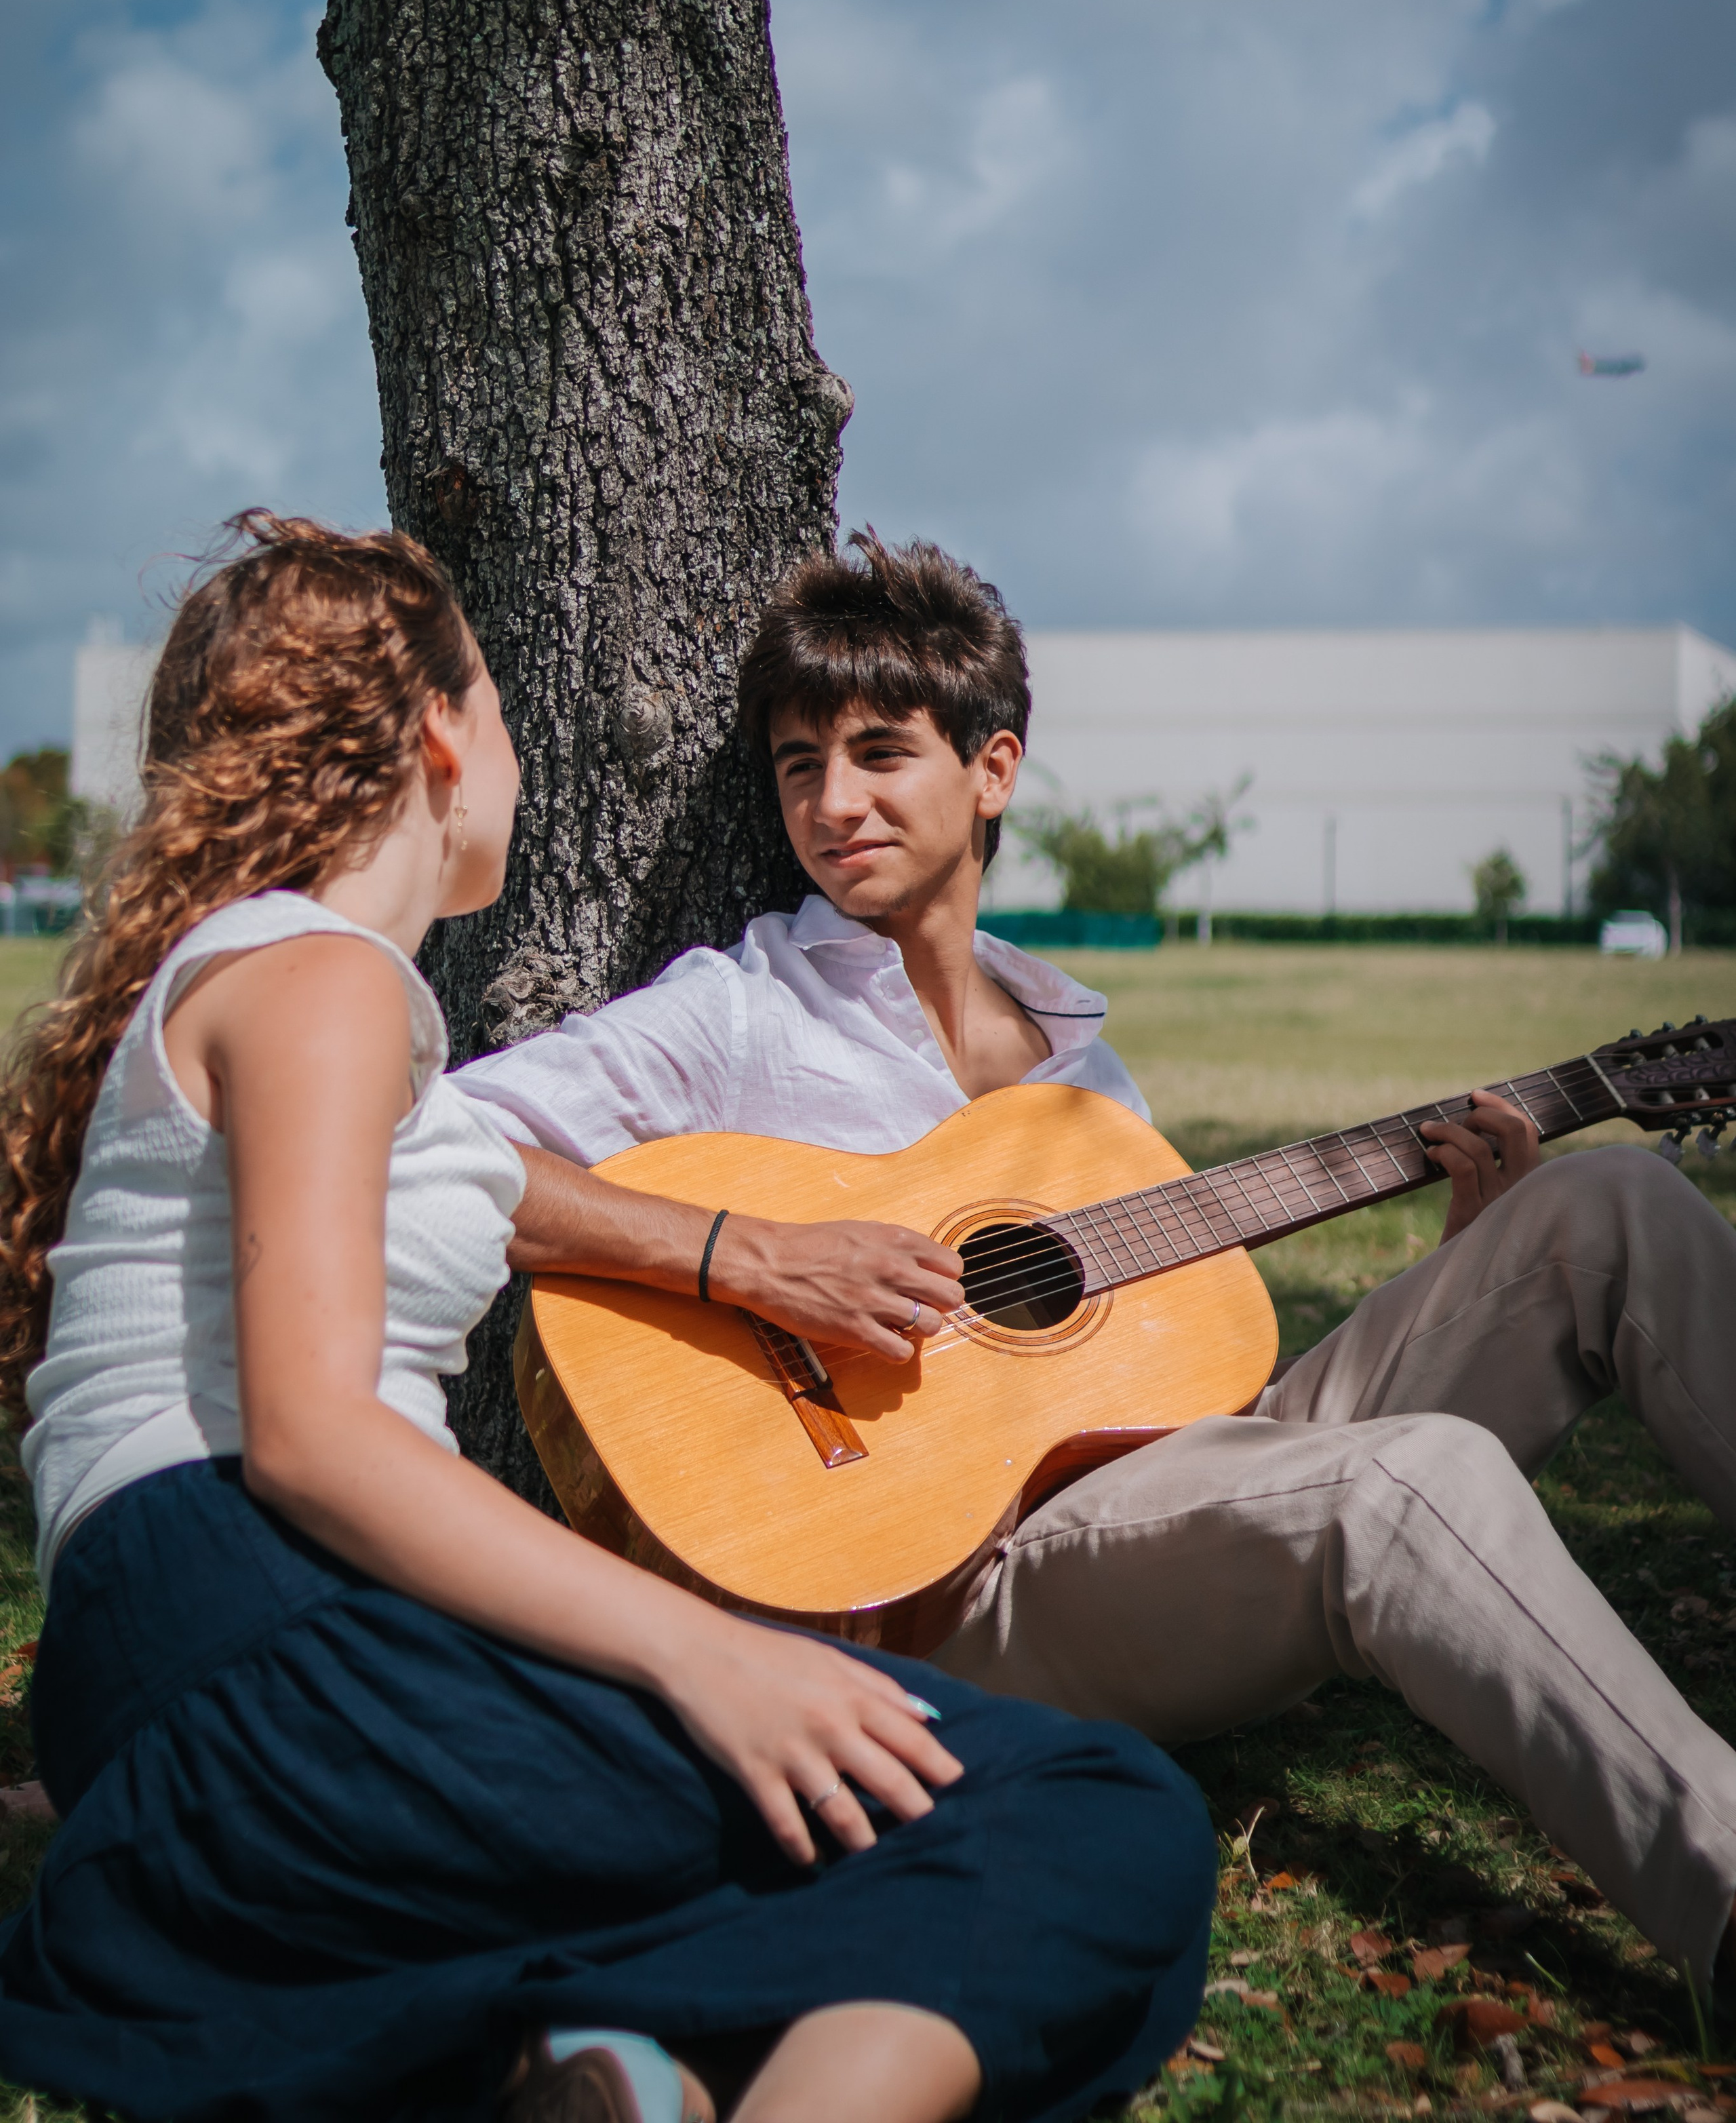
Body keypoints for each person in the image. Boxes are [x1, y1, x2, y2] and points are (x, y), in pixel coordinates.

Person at [0, 514, 1217, 2123]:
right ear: (441, 734)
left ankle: (615, 2078)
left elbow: (492, 1205)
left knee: (738, 1882)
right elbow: (308, 1434)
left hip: (176, 1656)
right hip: (271, 1616)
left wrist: (754, 1258)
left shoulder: (288, 993)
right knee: (1089, 1804)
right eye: (500, 703)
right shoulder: (322, 980)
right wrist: (708, 1656)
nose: (514, 746)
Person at [453, 530, 1736, 1998]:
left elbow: (1166, 1368)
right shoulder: (741, 1013)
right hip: (953, 1593)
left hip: (1170, 1491)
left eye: (879, 754)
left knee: (1608, 1206)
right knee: (1408, 1474)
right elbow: (423, 1155)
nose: (830, 801)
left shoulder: (1079, 1063)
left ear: (990, 770)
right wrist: (746, 1257)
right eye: (798, 763)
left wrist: (1466, 1245)